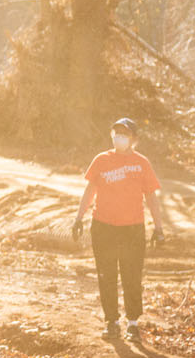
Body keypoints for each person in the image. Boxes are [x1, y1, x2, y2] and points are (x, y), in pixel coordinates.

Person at [70, 117, 165, 340]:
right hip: (104, 227)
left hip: (132, 228)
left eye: (125, 133)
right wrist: (78, 217)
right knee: (107, 275)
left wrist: (158, 227)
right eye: (116, 132)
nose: (119, 137)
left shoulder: (142, 163)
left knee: (132, 275)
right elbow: (90, 190)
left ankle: (132, 323)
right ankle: (111, 322)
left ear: (134, 139)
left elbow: (151, 197)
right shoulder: (101, 160)